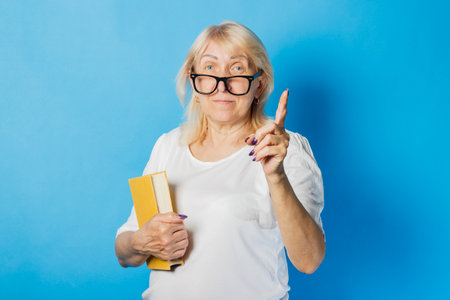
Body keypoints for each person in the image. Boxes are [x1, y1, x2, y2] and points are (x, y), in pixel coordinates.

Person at [115, 20, 325, 300]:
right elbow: (125, 252)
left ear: (259, 84)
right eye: (210, 69)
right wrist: (142, 242)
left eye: (237, 69)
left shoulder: (282, 150)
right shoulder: (168, 146)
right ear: (194, 80)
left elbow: (309, 260)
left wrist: (276, 176)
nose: (221, 86)